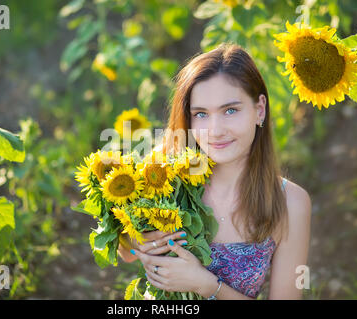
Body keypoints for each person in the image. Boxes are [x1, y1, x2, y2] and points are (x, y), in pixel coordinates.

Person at [117, 42, 312, 300]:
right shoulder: (164, 179)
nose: (216, 130)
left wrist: (207, 285)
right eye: (201, 114)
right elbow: (127, 254)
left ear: (259, 109)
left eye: (230, 110)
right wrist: (138, 241)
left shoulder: (291, 203)